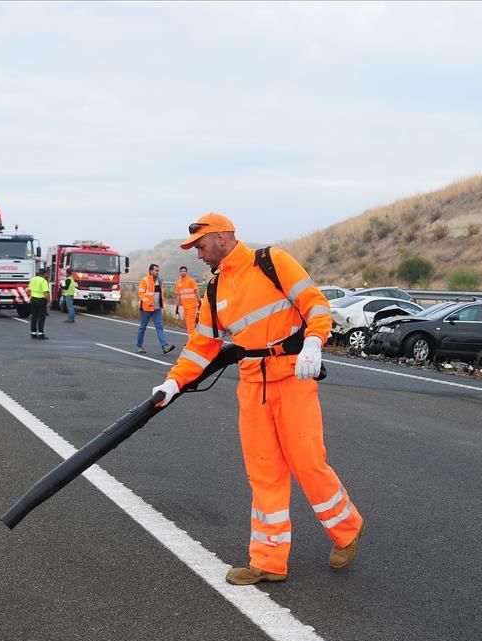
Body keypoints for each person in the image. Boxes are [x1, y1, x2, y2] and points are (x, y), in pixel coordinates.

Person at [151, 212, 364, 585]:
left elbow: (315, 304)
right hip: (252, 386)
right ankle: (268, 560)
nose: (199, 255)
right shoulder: (215, 290)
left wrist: (314, 342)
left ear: (221, 238)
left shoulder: (272, 262)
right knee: (263, 473)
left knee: (308, 463)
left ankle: (347, 528)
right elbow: (202, 346)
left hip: (293, 378)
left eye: (200, 246)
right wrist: (173, 383)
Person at [136, 263, 175, 355]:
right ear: (150, 271)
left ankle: (165, 346)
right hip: (146, 309)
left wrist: (161, 304)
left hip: (157, 309)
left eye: (158, 270)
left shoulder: (159, 281)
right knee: (143, 327)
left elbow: (160, 294)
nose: (158, 272)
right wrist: (147, 302)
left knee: (159, 327)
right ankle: (139, 346)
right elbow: (141, 294)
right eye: (156, 270)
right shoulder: (144, 280)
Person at [175, 265, 200, 334]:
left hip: (192, 306)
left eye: (184, 271)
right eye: (181, 271)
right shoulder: (178, 283)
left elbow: (196, 291)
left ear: (186, 272)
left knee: (190, 325)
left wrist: (199, 301)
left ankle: (191, 342)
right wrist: (177, 307)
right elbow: (178, 296)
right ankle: (193, 340)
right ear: (179, 272)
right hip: (184, 307)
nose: (183, 272)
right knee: (188, 325)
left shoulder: (191, 281)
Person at [28, 267, 50, 339]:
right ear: (44, 274)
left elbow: (29, 290)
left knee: (34, 317)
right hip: (41, 301)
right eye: (46, 274)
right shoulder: (43, 281)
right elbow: (45, 293)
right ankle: (40, 333)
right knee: (41, 317)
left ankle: (33, 333)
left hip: (33, 300)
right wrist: (49, 301)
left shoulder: (33, 279)